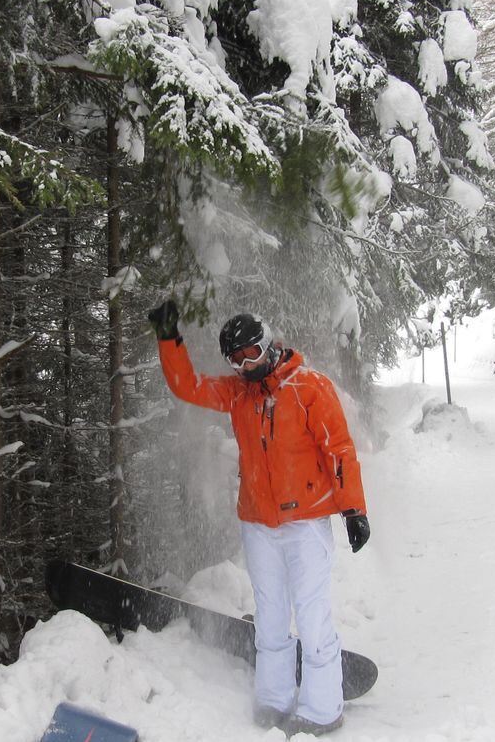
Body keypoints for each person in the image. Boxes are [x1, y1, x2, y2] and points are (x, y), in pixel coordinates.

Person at [147, 300, 370, 737]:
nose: (244, 366)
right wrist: (169, 337)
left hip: (305, 523)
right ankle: (273, 699)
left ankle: (324, 709)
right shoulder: (238, 395)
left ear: (267, 344)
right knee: (269, 615)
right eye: (235, 360)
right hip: (258, 524)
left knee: (310, 615)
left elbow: (338, 449)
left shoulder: (310, 386)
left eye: (250, 354)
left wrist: (354, 509)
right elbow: (187, 385)